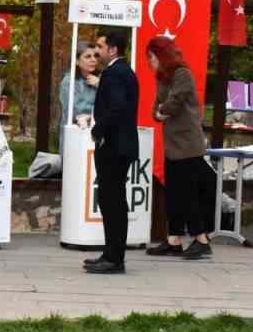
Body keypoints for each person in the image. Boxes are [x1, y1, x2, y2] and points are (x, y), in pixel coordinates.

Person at [146, 35, 215, 260]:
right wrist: (160, 111)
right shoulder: (163, 77)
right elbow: (157, 107)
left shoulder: (182, 74)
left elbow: (173, 103)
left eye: (152, 57)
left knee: (187, 193)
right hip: (172, 144)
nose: (150, 61)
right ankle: (174, 238)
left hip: (188, 144)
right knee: (174, 193)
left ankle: (201, 239)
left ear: (161, 55)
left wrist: (161, 111)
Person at [87, 29, 139, 274]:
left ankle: (115, 258)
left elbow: (117, 107)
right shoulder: (121, 71)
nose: (97, 51)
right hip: (119, 145)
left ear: (113, 49)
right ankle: (110, 254)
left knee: (113, 202)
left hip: (114, 146)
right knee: (111, 201)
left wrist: (98, 130)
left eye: (100, 46)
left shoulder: (115, 73)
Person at [56, 46, 101, 158]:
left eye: (95, 56)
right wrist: (93, 116)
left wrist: (100, 84)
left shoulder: (100, 79)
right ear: (76, 61)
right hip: (74, 137)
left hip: (95, 137)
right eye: (88, 56)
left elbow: (109, 105)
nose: (93, 59)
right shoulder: (69, 81)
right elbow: (73, 111)